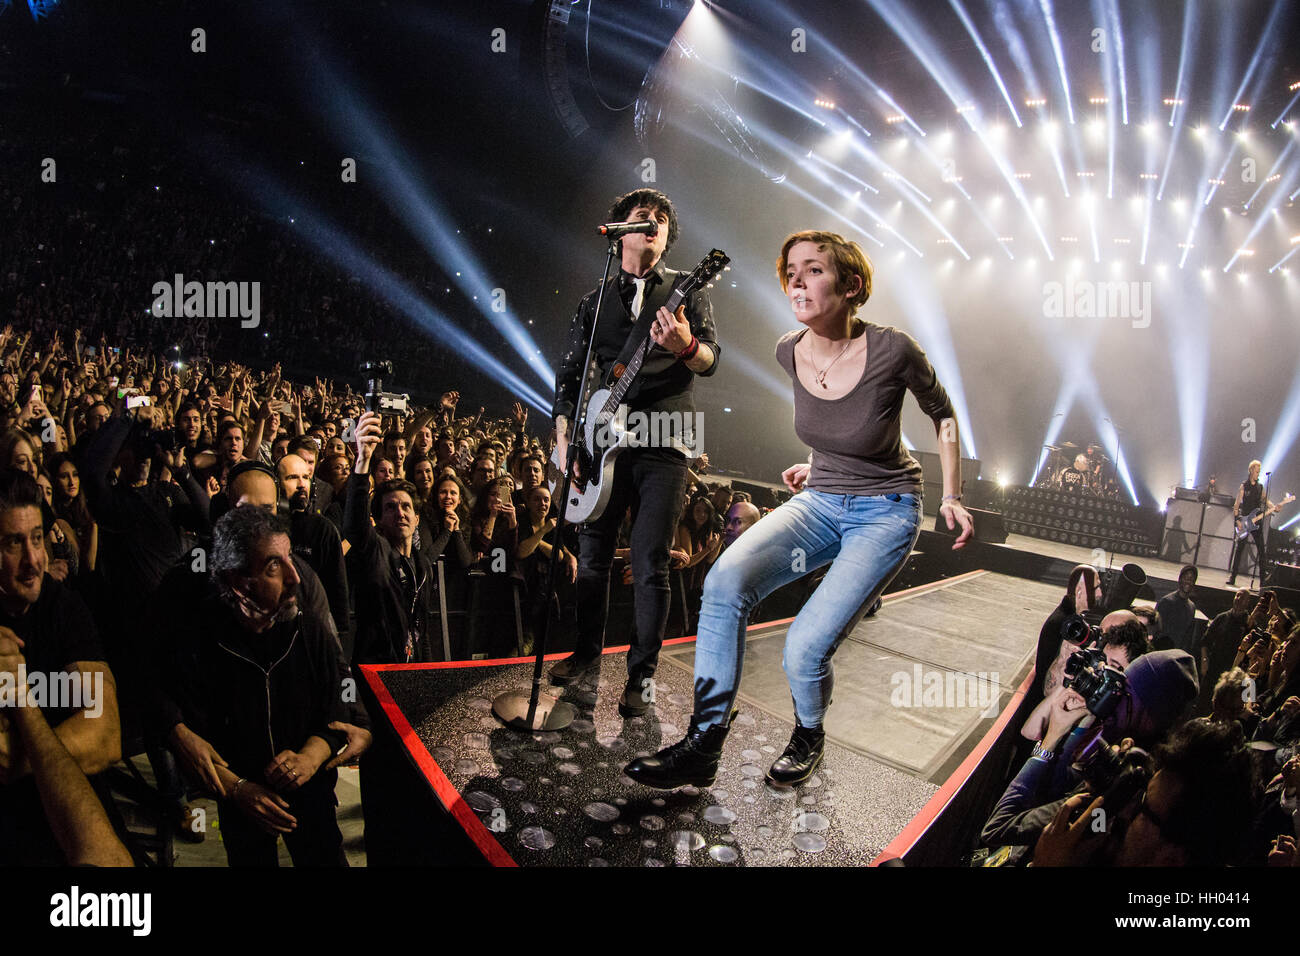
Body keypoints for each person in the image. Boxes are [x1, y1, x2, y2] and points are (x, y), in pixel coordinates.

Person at [626, 229, 972, 789]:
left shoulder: (893, 349)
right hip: (821, 499)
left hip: (885, 510)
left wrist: (952, 494)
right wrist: (820, 462)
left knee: (803, 649)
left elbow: (945, 416)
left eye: (813, 269)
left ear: (852, 283)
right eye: (790, 271)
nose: (796, 281)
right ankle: (705, 740)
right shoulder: (788, 350)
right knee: (723, 584)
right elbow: (836, 424)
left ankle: (808, 733)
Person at [548, 188, 721, 716]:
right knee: (594, 559)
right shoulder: (593, 301)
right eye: (642, 216)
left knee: (649, 563)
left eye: (663, 220)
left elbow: (711, 361)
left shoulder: (687, 293)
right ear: (619, 228)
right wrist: (565, 440)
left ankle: (640, 677)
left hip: (663, 441)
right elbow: (571, 378)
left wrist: (685, 346)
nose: (654, 222)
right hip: (602, 443)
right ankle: (584, 654)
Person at [0, 471, 121, 865]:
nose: (33, 560)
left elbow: (105, 735)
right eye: (13, 543)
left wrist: (14, 754)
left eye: (37, 538)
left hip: (74, 825)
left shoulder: (61, 606)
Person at [1228, 460, 1272, 586]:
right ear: (1251, 470)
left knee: (1261, 551)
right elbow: (1236, 505)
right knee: (1239, 550)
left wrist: (1275, 506)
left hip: (1257, 522)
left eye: (1259, 471)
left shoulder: (1260, 487)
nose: (1258, 473)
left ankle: (1263, 582)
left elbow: (1266, 500)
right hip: (1245, 521)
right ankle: (1233, 577)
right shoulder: (1244, 486)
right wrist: (1237, 520)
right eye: (1257, 471)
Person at [1153, 565, 1198, 653]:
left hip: (1177, 655)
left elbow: (1187, 637)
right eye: (1186, 578)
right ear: (1179, 580)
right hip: (1161, 653)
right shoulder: (1166, 601)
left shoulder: (1192, 607)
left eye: (1191, 579)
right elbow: (1156, 630)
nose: (1188, 581)